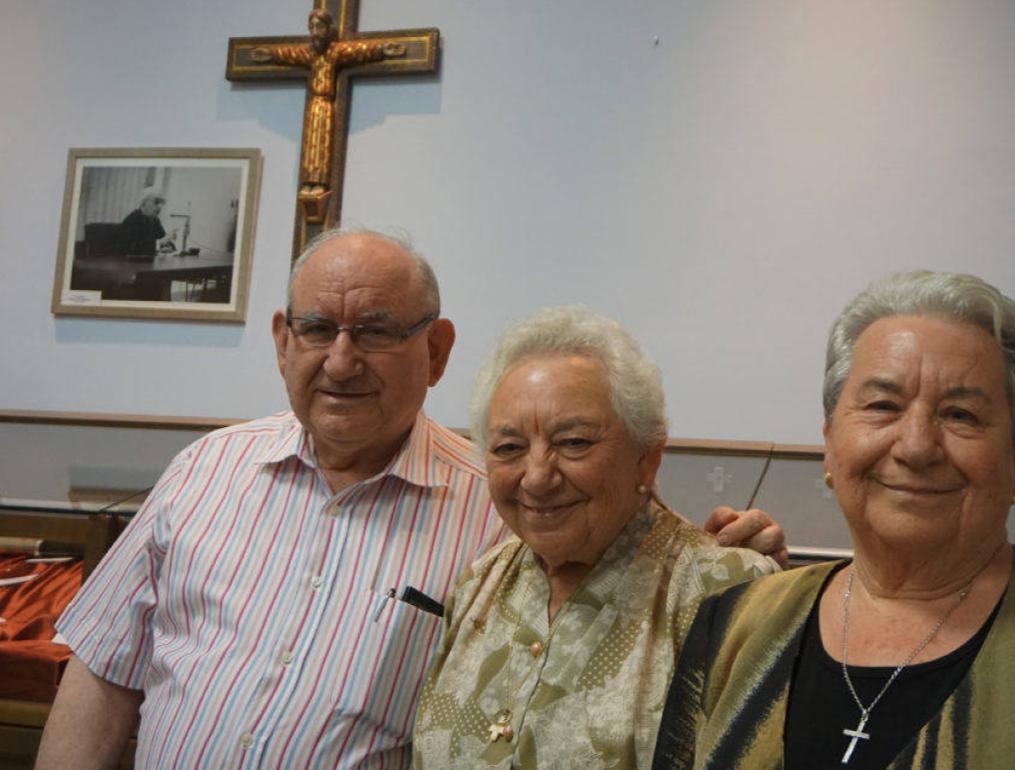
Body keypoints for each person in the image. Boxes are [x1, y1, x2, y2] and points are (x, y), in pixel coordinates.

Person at [35, 228, 785, 770]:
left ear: (435, 351)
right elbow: (104, 669)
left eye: (376, 331)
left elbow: (626, 532)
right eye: (318, 328)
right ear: (281, 341)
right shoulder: (203, 469)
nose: (341, 359)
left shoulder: (494, 509)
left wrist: (747, 570)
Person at [653, 271, 1015, 769]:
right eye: (882, 405)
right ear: (830, 441)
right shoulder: (733, 626)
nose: (916, 445)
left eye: (960, 413)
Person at [412, 306, 781, 769]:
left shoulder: (726, 592)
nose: (537, 477)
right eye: (509, 448)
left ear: (647, 456)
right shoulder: (479, 585)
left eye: (574, 443)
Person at [250, 10, 407, 223]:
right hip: (314, 105)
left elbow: (359, 51)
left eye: (320, 27)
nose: (315, 32)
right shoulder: (309, 54)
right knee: (311, 146)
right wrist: (270, 54)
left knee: (322, 146)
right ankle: (309, 182)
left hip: (326, 105)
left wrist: (381, 50)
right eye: (312, 27)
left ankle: (320, 183)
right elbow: (287, 53)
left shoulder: (334, 53)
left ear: (329, 28)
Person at [118, 189, 176, 256]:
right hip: (129, 263)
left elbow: (162, 237)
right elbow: (135, 247)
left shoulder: (155, 220)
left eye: (161, 203)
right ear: (144, 203)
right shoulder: (132, 219)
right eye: (156, 202)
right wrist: (159, 243)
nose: (160, 206)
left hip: (147, 261)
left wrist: (167, 244)